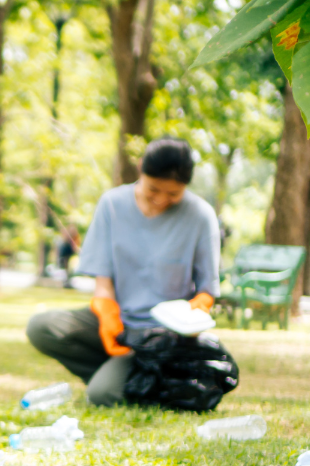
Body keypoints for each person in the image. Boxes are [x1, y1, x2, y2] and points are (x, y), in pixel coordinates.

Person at [26, 137, 220, 406]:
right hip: (121, 323)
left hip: (163, 337)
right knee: (41, 327)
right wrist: (106, 311)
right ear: (141, 168)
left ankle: (126, 379)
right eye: (154, 189)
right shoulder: (112, 204)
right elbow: (103, 281)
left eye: (173, 194)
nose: (162, 200)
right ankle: (135, 377)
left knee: (102, 395)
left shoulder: (201, 215)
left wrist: (195, 312)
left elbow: (207, 290)